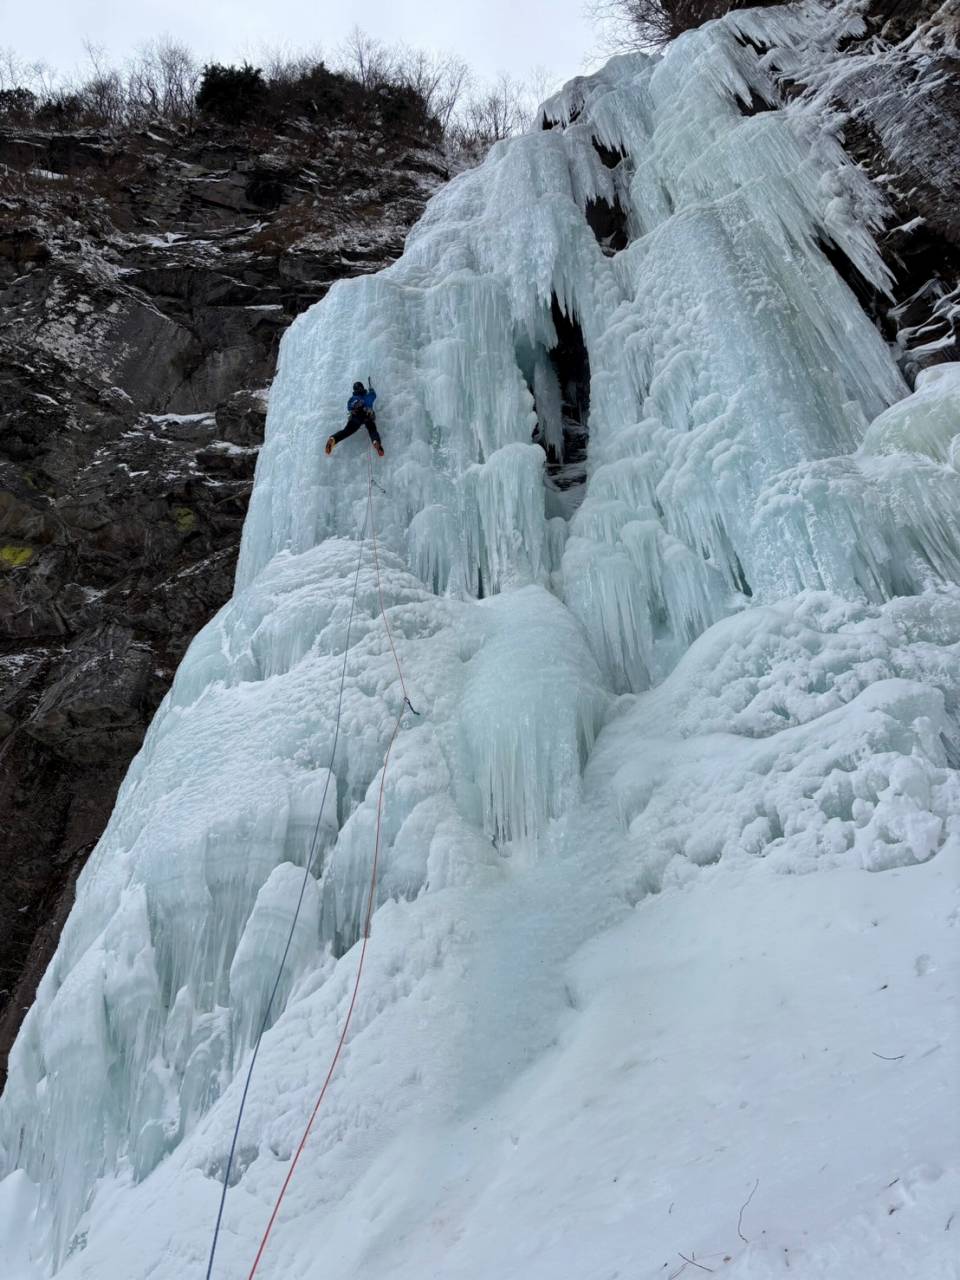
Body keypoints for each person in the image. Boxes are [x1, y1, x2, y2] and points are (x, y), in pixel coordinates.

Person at [325, 381, 384, 457]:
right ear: (362, 387)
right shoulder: (368, 396)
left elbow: (349, 407)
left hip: (356, 417)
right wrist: (371, 389)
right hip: (367, 415)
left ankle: (333, 439)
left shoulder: (352, 399)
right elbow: (374, 395)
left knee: (346, 431)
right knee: (372, 430)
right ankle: (375, 441)